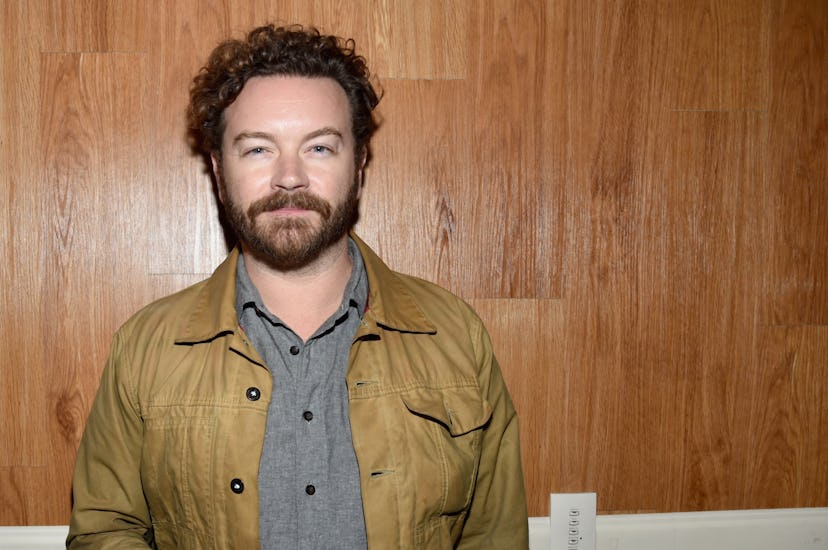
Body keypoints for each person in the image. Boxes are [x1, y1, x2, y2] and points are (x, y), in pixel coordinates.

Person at [67, 24, 528, 549]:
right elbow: (105, 531)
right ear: (219, 170)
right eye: (259, 149)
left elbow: (497, 535)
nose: (290, 177)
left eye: (319, 148)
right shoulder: (145, 349)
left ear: (359, 165)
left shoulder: (455, 338)